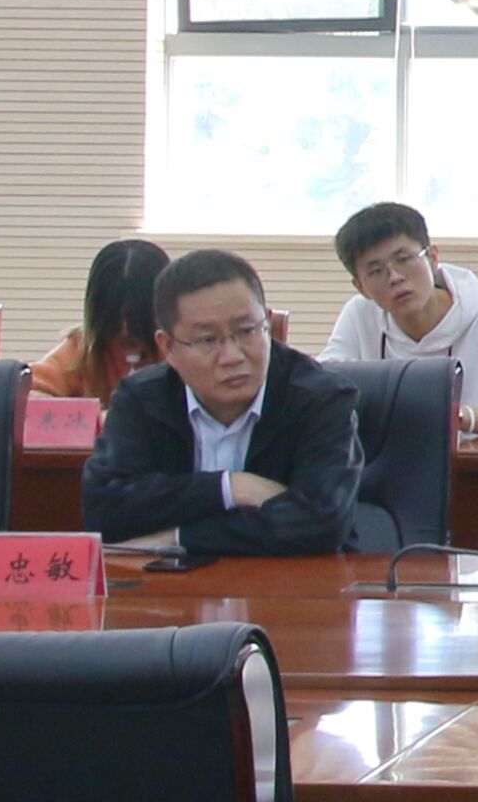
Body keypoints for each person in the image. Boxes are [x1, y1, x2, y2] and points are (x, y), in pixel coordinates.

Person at [81, 249, 363, 563]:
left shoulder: (320, 398)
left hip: (296, 586)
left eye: (247, 331)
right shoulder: (140, 399)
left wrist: (179, 538)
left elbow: (322, 521)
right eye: (207, 339)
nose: (232, 356)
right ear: (168, 347)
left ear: (268, 323)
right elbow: (103, 509)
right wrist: (228, 487)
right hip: (173, 591)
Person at [325, 201, 478, 433]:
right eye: (376, 271)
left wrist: (455, 418)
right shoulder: (359, 315)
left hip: (467, 454)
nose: (395, 278)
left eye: (404, 259)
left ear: (432, 258)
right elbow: (324, 391)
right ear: (360, 287)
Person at [27, 236, 169, 406]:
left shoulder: (183, 350)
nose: (125, 330)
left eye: (136, 318)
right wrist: (89, 415)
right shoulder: (82, 351)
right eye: (113, 318)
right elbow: (26, 395)